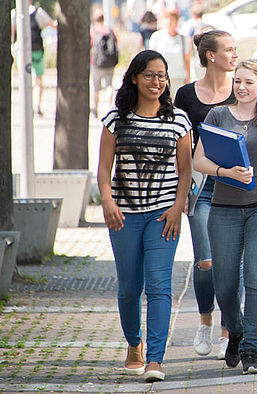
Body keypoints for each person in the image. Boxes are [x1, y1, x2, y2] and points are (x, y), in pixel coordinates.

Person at [97, 50, 192, 382]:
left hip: (162, 215)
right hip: (123, 215)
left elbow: (186, 170)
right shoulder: (115, 119)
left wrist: (178, 208)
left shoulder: (178, 120)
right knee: (129, 288)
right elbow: (104, 169)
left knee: (159, 286)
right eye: (150, 74)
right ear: (135, 77)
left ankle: (155, 359)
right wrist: (107, 202)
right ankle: (134, 343)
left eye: (162, 75)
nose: (157, 81)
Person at [192, 59, 257, 374]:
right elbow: (199, 159)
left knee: (256, 277)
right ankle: (235, 329)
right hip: (224, 207)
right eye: (238, 82)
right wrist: (225, 171)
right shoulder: (218, 114)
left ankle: (250, 350)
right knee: (225, 284)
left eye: (249, 82)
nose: (242, 88)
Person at [174, 29, 238, 360]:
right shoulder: (186, 95)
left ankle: (230, 331)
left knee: (232, 263)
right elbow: (180, 146)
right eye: (229, 49)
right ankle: (205, 323)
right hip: (201, 183)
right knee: (206, 261)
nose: (235, 55)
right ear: (210, 55)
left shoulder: (240, 88)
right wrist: (181, 190)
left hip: (236, 183)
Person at [11, 0, 57, 116]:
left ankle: (26, 106)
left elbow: (12, 34)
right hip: (37, 50)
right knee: (38, 79)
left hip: (21, 50)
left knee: (23, 78)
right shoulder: (38, 12)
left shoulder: (14, 13)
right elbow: (52, 24)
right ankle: (37, 105)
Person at [148, 10, 191, 87]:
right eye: (167, 19)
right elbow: (151, 58)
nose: (169, 22)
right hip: (161, 78)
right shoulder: (156, 37)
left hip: (179, 77)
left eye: (172, 20)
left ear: (176, 22)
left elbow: (187, 60)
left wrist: (188, 77)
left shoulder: (183, 39)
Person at [90, 12, 119, 118]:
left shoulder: (93, 31)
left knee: (96, 87)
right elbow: (116, 43)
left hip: (96, 63)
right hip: (110, 63)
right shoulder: (109, 30)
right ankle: (109, 108)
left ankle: (95, 109)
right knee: (109, 85)